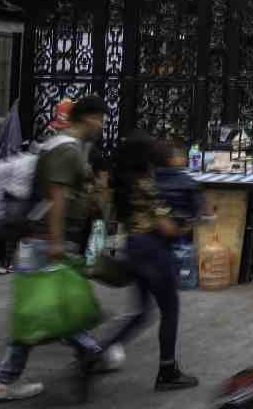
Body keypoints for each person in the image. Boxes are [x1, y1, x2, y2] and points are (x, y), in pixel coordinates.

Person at [0, 95, 110, 403]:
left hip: (43, 238)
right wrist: (57, 241)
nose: (102, 125)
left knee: (57, 302)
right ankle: (5, 381)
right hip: (44, 239)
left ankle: (92, 352)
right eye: (100, 119)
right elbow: (56, 196)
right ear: (88, 118)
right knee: (38, 309)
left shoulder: (63, 145)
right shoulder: (65, 149)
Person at [99, 132, 198, 391]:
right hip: (153, 249)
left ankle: (96, 353)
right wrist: (186, 225)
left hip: (132, 246)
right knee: (170, 309)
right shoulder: (144, 184)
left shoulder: (121, 184)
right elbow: (166, 226)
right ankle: (167, 370)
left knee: (142, 311)